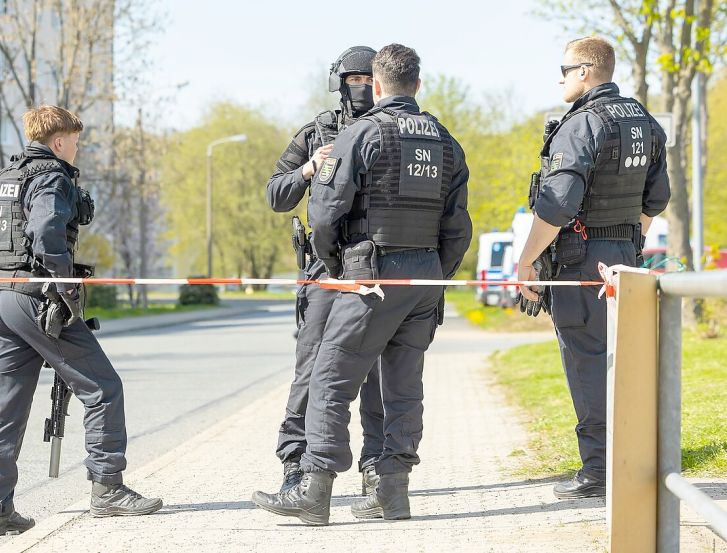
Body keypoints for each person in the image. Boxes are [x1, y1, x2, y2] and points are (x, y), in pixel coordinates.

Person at [253, 43, 471, 525]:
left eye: (362, 80)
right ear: (417, 82)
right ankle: (391, 493)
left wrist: (340, 266)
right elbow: (458, 226)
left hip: (362, 275)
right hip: (417, 278)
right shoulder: (442, 138)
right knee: (401, 384)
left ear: (376, 82)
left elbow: (326, 213)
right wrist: (432, 275)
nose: (356, 89)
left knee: (330, 379)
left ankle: (315, 491)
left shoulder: (366, 133)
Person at [0, 105, 162, 537]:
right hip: (35, 300)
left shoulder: (3, 179)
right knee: (102, 387)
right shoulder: (52, 176)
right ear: (59, 141)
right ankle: (108, 488)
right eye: (74, 140)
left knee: (7, 407)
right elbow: (48, 230)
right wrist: (66, 287)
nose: (75, 149)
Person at [515, 36, 669, 499]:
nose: (560, 78)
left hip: (582, 263)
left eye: (564, 70)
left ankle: (599, 471)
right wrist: (630, 241)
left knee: (587, 362)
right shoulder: (645, 121)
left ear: (585, 71)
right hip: (626, 258)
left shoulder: (581, 124)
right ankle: (636, 462)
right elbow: (656, 200)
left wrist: (526, 263)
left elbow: (558, 204)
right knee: (626, 362)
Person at [261, 45, 385, 497]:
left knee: (376, 372)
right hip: (323, 269)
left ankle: (377, 466)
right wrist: (310, 170)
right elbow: (276, 194)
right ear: (340, 83)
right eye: (354, 81)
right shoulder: (317, 131)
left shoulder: (389, 131)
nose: (362, 89)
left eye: (369, 80)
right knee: (311, 366)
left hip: (374, 265)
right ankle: (296, 463)